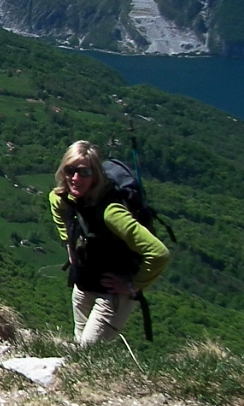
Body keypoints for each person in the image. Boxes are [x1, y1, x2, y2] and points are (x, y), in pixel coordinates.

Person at [49, 140, 170, 346]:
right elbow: (56, 204)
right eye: (70, 170)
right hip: (83, 286)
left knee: (87, 352)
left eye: (84, 172)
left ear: (96, 175)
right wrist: (69, 244)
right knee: (81, 349)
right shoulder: (64, 197)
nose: (75, 178)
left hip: (111, 295)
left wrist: (133, 285)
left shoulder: (112, 213)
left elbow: (159, 253)